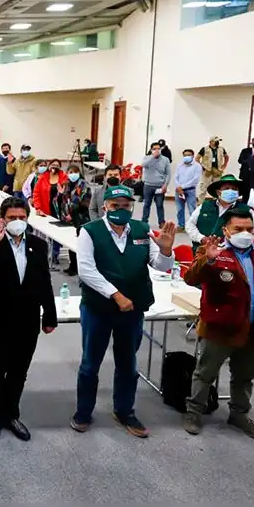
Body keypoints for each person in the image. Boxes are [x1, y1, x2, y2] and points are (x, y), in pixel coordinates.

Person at [72, 186, 176, 438]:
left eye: (125, 205)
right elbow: (86, 270)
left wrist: (165, 249)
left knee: (128, 363)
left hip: (132, 309)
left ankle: (124, 410)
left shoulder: (141, 230)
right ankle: (83, 411)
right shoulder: (90, 231)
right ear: (105, 206)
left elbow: (160, 266)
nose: (121, 209)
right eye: (115, 205)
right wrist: (115, 295)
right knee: (90, 363)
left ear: (132, 207)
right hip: (98, 308)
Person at [182, 209, 254, 441]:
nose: (245, 234)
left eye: (249, 229)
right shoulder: (213, 252)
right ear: (226, 231)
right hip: (219, 329)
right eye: (238, 229)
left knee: (245, 376)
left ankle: (239, 414)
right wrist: (207, 259)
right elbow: (190, 278)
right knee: (205, 374)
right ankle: (194, 413)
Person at [0, 198, 57, 442]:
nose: (17, 222)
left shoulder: (39, 246)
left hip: (27, 320)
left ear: (27, 218)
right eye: (12, 218)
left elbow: (44, 282)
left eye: (21, 217)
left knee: (19, 371)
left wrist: (49, 314)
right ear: (3, 219)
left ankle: (12, 414)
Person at [186, 174, 254, 254]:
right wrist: (202, 238)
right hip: (200, 252)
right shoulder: (205, 206)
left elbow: (253, 232)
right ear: (218, 192)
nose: (231, 191)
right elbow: (190, 225)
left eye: (234, 189)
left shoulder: (246, 210)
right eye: (227, 188)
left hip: (230, 255)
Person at [55, 164, 92, 275]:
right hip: (69, 217)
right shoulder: (66, 185)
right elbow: (62, 201)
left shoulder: (84, 185)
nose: (72, 174)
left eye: (75, 172)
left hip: (81, 217)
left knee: (80, 243)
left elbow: (86, 202)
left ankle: (80, 267)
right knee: (71, 242)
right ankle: (72, 265)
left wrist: (73, 212)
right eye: (70, 172)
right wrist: (61, 195)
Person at [140, 142, 171, 226]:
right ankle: (144, 221)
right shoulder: (146, 158)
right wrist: (153, 157)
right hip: (148, 185)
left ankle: (161, 222)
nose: (157, 150)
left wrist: (165, 185)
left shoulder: (165, 159)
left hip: (160, 186)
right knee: (147, 204)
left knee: (159, 205)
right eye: (154, 149)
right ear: (151, 150)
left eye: (158, 148)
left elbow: (168, 173)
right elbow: (143, 165)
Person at [196, 136, 229, 204]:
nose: (217, 142)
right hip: (207, 171)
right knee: (203, 188)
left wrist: (224, 166)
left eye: (218, 141)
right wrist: (202, 167)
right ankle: (200, 203)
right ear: (210, 142)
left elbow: (226, 157)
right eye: (215, 141)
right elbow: (197, 158)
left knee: (217, 188)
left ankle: (217, 203)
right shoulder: (204, 149)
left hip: (217, 171)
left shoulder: (221, 149)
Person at [174, 149, 201, 227]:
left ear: (193, 156)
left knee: (192, 210)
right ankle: (181, 225)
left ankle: (194, 226)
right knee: (179, 210)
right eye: (185, 155)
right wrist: (178, 187)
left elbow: (195, 180)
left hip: (190, 190)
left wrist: (181, 187)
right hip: (178, 191)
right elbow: (176, 177)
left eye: (189, 155)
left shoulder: (197, 166)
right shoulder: (179, 165)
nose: (187, 157)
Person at [237, 136, 254, 204]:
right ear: (252, 142)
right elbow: (240, 160)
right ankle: (244, 206)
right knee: (246, 193)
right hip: (246, 175)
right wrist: (249, 161)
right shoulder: (245, 151)